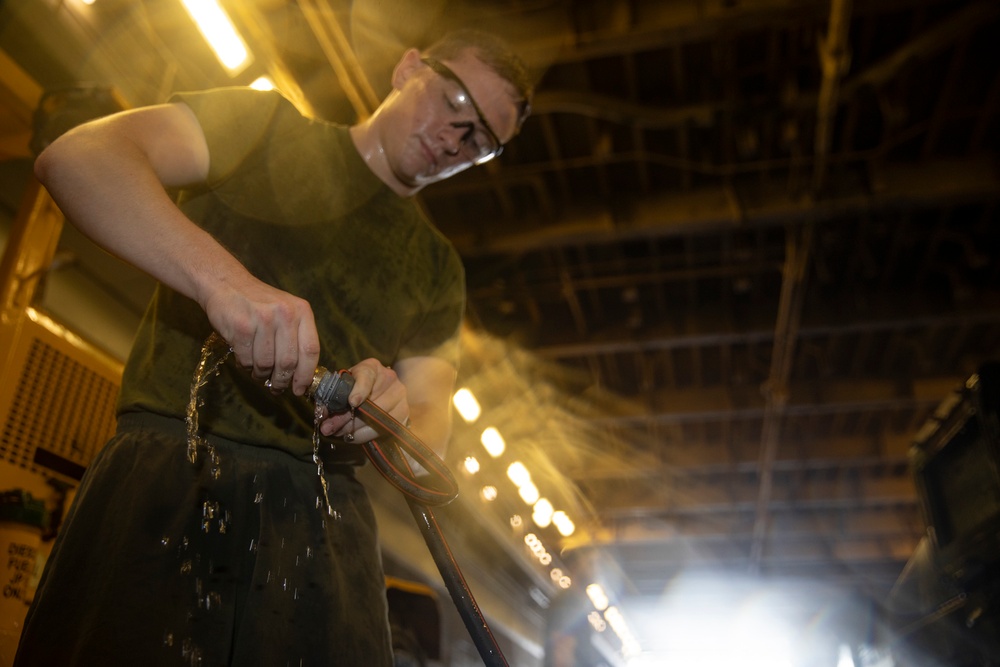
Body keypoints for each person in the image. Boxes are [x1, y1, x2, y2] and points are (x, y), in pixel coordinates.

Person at [16, 29, 532, 666]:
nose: (455, 136)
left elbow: (431, 433)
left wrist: (395, 413)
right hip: (170, 476)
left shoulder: (437, 268)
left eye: (480, 140)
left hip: (324, 525)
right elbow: (78, 159)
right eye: (454, 98)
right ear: (406, 69)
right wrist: (224, 284)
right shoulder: (260, 127)